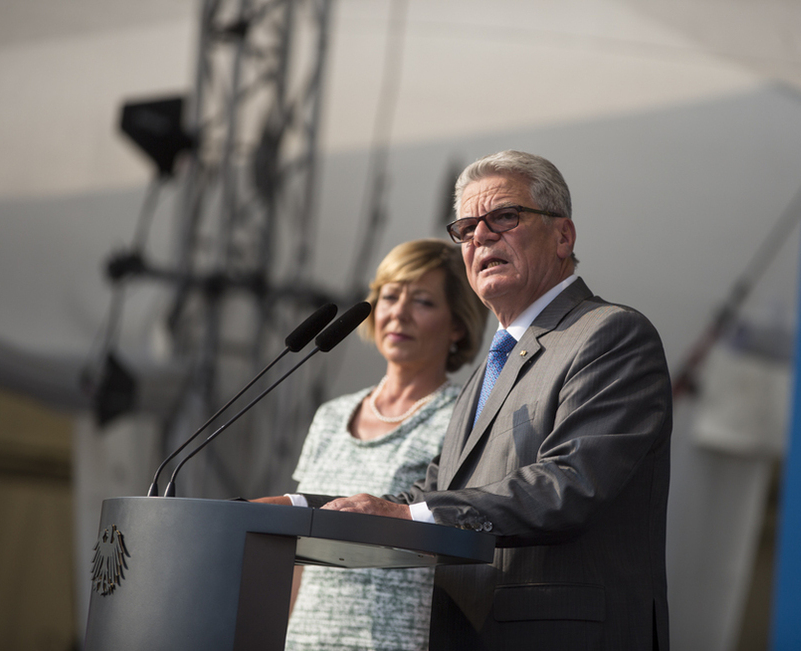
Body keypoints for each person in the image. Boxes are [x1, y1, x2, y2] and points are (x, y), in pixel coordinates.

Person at [305, 150, 673, 650]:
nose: (480, 236)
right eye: (466, 228)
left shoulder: (609, 334)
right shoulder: (491, 368)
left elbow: (571, 484)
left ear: (563, 236)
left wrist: (411, 517)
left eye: (504, 217)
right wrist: (297, 507)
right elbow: (433, 491)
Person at [261, 239, 488, 651]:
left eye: (422, 301)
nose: (398, 312)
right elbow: (299, 546)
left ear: (457, 324)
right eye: (388, 296)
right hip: (306, 638)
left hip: (402, 638)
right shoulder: (331, 415)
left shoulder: (464, 416)